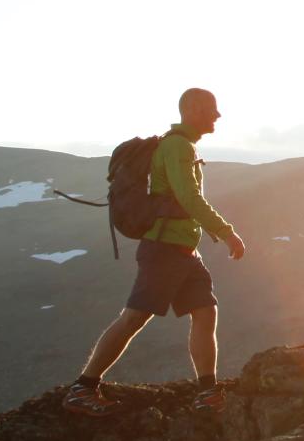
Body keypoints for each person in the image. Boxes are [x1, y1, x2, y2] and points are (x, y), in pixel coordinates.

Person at [64, 87, 248, 416]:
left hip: (183, 249)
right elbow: (189, 198)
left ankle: (208, 392)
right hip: (165, 249)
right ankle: (83, 387)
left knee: (205, 312)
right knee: (135, 317)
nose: (217, 116)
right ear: (192, 109)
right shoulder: (177, 146)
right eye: (211, 109)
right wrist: (226, 232)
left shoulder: (182, 145)